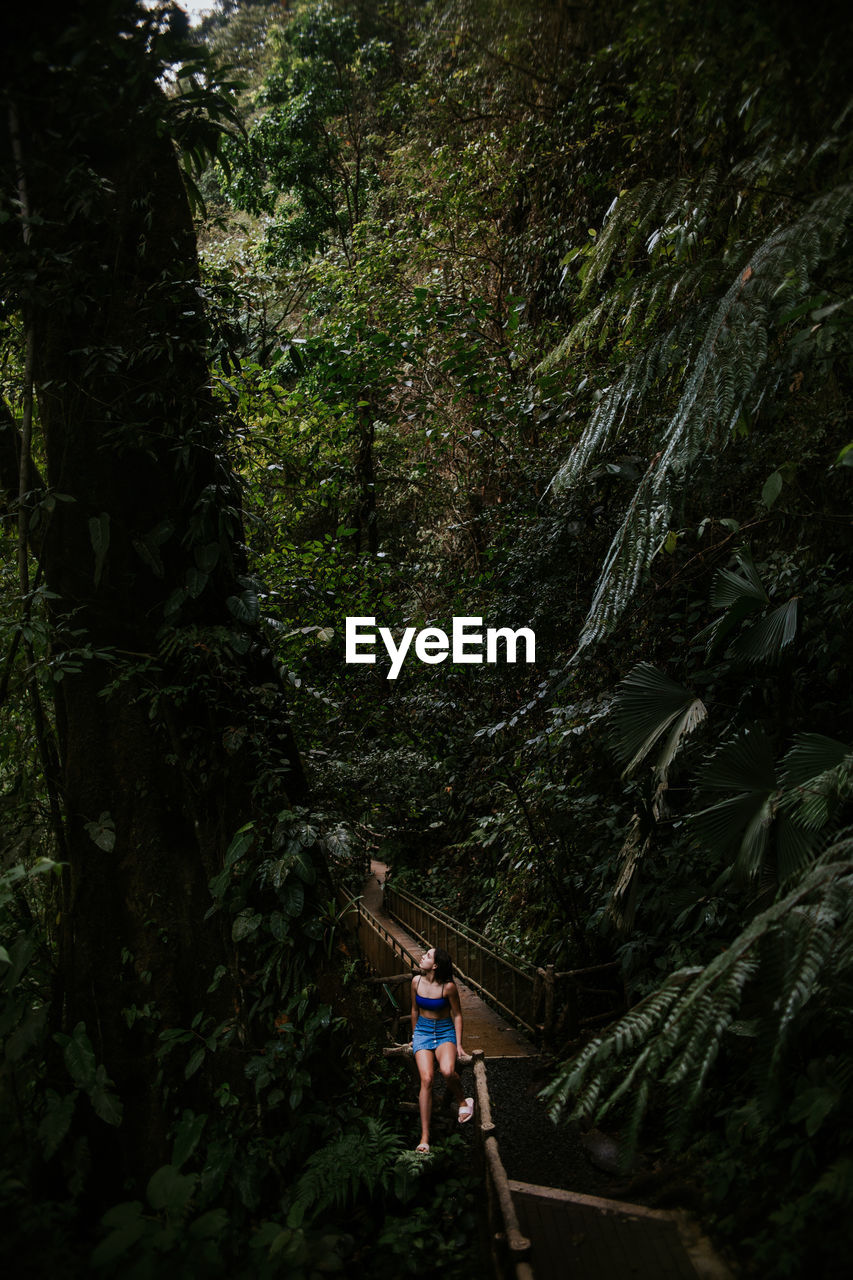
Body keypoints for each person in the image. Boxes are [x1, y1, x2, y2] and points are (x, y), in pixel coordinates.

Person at [410, 945, 474, 1153]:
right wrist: (414, 1036)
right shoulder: (416, 982)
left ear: (435, 965)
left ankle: (464, 1101)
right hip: (423, 1032)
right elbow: (413, 1010)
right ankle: (425, 1137)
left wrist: (459, 1044)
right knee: (427, 1079)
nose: (422, 956)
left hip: (444, 1031)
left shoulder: (448, 987)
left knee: (447, 1071)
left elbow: (457, 1015)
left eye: (427, 955)